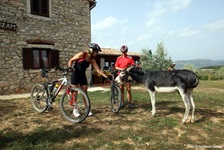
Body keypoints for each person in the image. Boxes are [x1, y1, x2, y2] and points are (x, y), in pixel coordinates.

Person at [68, 43, 112, 117]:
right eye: (96, 52)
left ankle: (87, 109)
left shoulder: (92, 60)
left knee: (85, 93)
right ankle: (75, 109)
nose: (97, 53)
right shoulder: (82, 54)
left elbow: (98, 70)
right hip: (75, 74)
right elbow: (71, 60)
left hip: (82, 76)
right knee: (75, 93)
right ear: (92, 50)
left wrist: (106, 76)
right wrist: (70, 67)